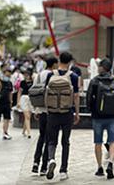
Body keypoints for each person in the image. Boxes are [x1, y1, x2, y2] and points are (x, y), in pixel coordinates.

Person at [45, 51, 81, 181]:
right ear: (70, 62)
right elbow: (76, 97)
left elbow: (46, 94)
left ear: (59, 60)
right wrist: (77, 113)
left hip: (53, 112)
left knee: (51, 140)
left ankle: (51, 159)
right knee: (65, 142)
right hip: (67, 113)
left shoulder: (50, 75)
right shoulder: (74, 76)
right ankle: (63, 170)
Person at [87, 58, 114, 179]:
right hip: (113, 117)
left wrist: (91, 111)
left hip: (98, 117)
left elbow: (88, 99)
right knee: (112, 141)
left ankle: (99, 167)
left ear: (102, 68)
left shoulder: (94, 81)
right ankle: (111, 163)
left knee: (98, 142)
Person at [32, 56, 58, 176]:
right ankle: (44, 166)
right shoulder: (53, 75)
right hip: (50, 110)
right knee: (49, 138)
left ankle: (35, 163)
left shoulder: (38, 75)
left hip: (40, 110)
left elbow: (35, 92)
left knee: (41, 137)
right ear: (53, 65)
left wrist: (35, 110)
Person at [0, 67, 13, 140]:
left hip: (7, 103)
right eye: (7, 74)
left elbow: (10, 92)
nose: (8, 76)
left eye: (9, 75)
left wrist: (11, 102)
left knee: (7, 118)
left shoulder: (9, 83)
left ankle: (5, 133)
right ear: (3, 73)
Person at [17, 68, 34, 138]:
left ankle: (24, 130)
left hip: (31, 99)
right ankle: (29, 132)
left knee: (28, 116)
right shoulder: (22, 82)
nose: (26, 76)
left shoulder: (33, 82)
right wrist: (18, 102)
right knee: (27, 116)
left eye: (27, 74)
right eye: (25, 74)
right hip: (24, 98)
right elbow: (19, 92)